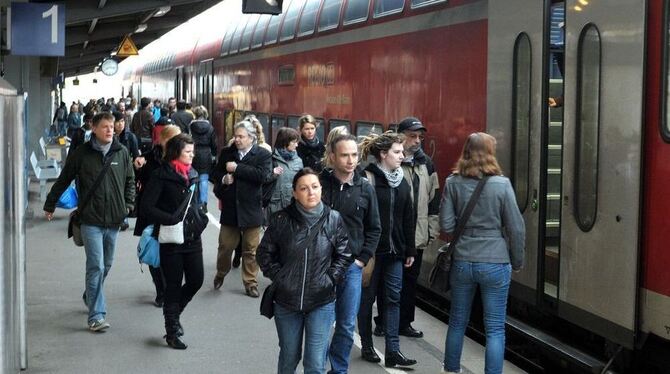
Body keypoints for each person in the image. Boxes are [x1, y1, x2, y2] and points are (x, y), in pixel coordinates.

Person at [440, 132, 525, 374]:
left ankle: (451, 370)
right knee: (495, 328)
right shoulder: (502, 184)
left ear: (466, 150)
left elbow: (446, 225)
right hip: (496, 262)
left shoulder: (453, 182)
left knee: (457, 321)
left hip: (463, 261)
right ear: (491, 153)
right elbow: (516, 229)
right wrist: (517, 261)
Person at [43, 112, 135, 332]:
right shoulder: (81, 154)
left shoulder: (121, 152)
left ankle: (90, 294)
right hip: (90, 220)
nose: (110, 130)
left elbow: (130, 180)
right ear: (93, 128)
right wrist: (50, 204)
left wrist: (128, 206)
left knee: (107, 265)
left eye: (112, 126)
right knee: (96, 266)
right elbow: (64, 179)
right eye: (105, 126)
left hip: (113, 219)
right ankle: (96, 316)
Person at [257, 168, 351, 374]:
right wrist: (280, 278)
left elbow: (344, 255)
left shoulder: (333, 219)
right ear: (294, 193)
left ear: (321, 190)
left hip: (321, 301)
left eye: (315, 187)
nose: (311, 192)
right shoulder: (281, 219)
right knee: (289, 357)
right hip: (287, 301)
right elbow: (264, 254)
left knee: (315, 363)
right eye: (304, 188)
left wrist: (330, 279)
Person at [374, 117, 440, 338]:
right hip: (392, 234)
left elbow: (434, 199)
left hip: (417, 233)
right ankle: (383, 322)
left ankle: (405, 323)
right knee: (386, 281)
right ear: (400, 136)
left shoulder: (427, 163)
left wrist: (432, 229)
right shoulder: (390, 160)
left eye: (420, 137)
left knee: (410, 281)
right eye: (412, 136)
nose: (417, 141)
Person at [321, 134, 381, 374]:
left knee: (346, 326)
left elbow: (375, 228)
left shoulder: (365, 188)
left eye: (354, 155)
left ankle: (338, 370)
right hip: (322, 266)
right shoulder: (320, 184)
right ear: (332, 156)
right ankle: (315, 368)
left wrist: (361, 260)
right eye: (344, 155)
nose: (350, 160)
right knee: (321, 325)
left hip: (351, 269)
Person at [357, 132, 417, 368]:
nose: (402, 156)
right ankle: (368, 346)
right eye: (397, 152)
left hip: (395, 252)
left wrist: (410, 249)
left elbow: (408, 217)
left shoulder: (402, 180)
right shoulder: (367, 178)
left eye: (402, 152)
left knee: (393, 299)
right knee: (367, 299)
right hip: (370, 253)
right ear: (383, 154)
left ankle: (393, 351)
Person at [141, 133, 205, 350]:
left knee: (196, 280)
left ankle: (175, 315)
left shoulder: (193, 174)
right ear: (177, 152)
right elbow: (147, 206)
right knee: (173, 286)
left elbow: (196, 204)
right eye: (188, 151)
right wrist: (169, 219)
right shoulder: (161, 175)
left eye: (193, 151)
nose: (192, 155)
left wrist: (201, 219)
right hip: (170, 239)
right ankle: (171, 332)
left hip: (192, 237)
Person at [211, 120, 272, 297]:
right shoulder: (227, 153)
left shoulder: (262, 154)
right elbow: (216, 173)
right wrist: (223, 179)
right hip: (231, 209)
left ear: (251, 138)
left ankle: (250, 283)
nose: (237, 139)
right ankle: (221, 273)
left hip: (251, 208)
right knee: (225, 246)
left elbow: (263, 176)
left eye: (241, 136)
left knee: (251, 250)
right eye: (235, 136)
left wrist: (237, 169)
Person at [134, 125, 183, 308]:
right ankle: (161, 291)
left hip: (173, 211)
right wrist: (137, 167)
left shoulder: (182, 157)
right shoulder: (148, 157)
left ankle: (169, 288)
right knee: (155, 252)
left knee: (172, 252)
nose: (175, 143)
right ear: (162, 140)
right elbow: (137, 178)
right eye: (171, 139)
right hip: (152, 211)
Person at [113, 111, 141, 231]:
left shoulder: (130, 137)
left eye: (123, 121)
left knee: (124, 194)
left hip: (126, 170)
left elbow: (136, 155)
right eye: (118, 121)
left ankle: (124, 218)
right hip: (111, 171)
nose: (120, 124)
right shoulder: (108, 136)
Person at [267, 127, 303, 215]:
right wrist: (272, 174)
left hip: (293, 207)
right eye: (294, 142)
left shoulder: (298, 161)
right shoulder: (270, 159)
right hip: (274, 207)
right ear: (285, 142)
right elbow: (262, 180)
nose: (297, 145)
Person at [190, 105, 217, 212]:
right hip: (206, 154)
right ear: (206, 115)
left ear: (195, 114)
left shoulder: (191, 126)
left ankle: (193, 202)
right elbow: (213, 144)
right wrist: (214, 155)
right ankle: (203, 203)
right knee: (204, 179)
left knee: (192, 178)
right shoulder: (210, 128)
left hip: (193, 153)